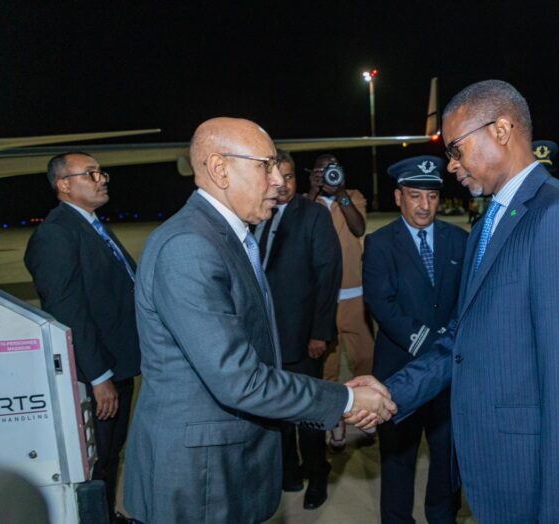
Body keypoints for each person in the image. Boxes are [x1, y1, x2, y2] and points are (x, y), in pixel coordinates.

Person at [350, 79, 559, 522]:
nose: (451, 166)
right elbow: (461, 341)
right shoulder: (486, 226)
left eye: (456, 149)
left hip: (535, 476)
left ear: (500, 130)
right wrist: (390, 392)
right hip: (494, 467)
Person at [123, 117, 395, 524]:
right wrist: (346, 400)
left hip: (228, 458)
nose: (279, 182)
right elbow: (239, 379)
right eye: (265, 166)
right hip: (201, 476)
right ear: (220, 169)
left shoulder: (226, 236)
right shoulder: (190, 247)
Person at [24, 151, 141, 523]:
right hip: (97, 372)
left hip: (117, 363)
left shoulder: (90, 226)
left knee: (111, 453)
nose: (101, 179)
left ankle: (107, 515)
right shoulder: (56, 234)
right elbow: (67, 310)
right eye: (90, 174)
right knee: (96, 459)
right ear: (64, 185)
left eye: (101, 172)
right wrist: (99, 376)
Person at [363, 155, 466, 523]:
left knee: (447, 458)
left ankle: (443, 517)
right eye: (415, 196)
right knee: (397, 462)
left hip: (448, 377)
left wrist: (447, 348)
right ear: (398, 197)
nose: (424, 205)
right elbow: (382, 303)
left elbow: (466, 299)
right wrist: (432, 345)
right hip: (400, 372)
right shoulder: (380, 243)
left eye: (432, 197)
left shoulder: (459, 240)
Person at [252, 149, 343, 509]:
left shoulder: (313, 215)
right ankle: (289, 471)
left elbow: (328, 275)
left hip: (304, 337)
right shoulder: (257, 214)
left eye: (289, 177)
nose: (283, 184)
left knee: (309, 414)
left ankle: (317, 474)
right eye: (276, 177)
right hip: (267, 339)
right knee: (276, 410)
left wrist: (320, 332)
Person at [308, 153, 376, 449]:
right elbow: (298, 228)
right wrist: (313, 192)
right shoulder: (305, 203)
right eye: (322, 171)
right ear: (313, 174)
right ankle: (335, 426)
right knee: (328, 371)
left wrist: (341, 194)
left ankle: (367, 420)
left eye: (333, 170)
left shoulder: (353, 197)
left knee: (365, 362)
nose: (328, 175)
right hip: (324, 303)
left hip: (356, 299)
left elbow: (359, 228)